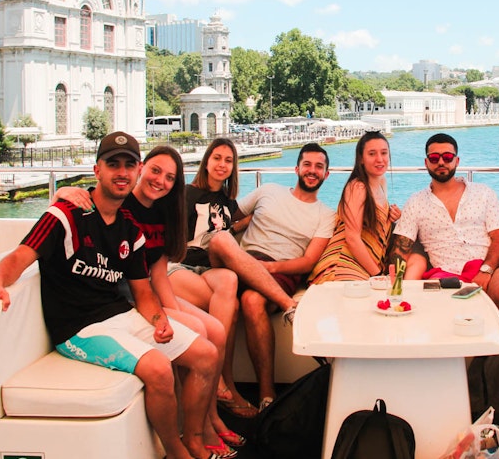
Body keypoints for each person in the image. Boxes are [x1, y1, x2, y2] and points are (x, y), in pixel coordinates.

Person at [0, 132, 222, 459]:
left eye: (129, 165)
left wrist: (160, 320)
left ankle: (193, 437)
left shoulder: (130, 230)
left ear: (137, 171)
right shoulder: (65, 215)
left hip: (120, 315)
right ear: (97, 170)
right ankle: (177, 452)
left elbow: (143, 291)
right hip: (79, 329)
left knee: (206, 355)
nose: (121, 172)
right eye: (113, 164)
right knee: (159, 368)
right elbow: (21, 255)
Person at [56, 144, 243, 454]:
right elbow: (84, 201)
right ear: (141, 169)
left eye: (170, 177)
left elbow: (158, 272)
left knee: (215, 329)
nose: (160, 181)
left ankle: (210, 418)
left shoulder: (164, 210)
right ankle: (197, 429)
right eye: (155, 171)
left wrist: (169, 311)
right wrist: (63, 191)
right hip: (124, 300)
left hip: (150, 293)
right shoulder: (121, 201)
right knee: (199, 329)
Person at [206, 143, 336, 410]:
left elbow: (307, 262)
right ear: (297, 168)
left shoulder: (326, 215)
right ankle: (225, 387)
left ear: (326, 174)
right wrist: (244, 224)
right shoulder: (269, 191)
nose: (312, 171)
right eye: (308, 165)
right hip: (242, 260)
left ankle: (267, 396)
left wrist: (269, 269)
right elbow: (227, 217)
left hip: (280, 270)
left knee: (252, 300)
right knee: (222, 258)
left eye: (319, 167)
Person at [388, 133, 499, 343]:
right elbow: (400, 248)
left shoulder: (484, 193)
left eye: (447, 157)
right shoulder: (415, 202)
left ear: (457, 161)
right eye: (434, 158)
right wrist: (393, 281)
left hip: (489, 266)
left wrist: (486, 271)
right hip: (445, 274)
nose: (441, 162)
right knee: (438, 308)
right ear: (427, 162)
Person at [169, 138, 257, 419]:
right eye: (217, 158)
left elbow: (229, 225)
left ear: (233, 168)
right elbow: (140, 201)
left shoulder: (228, 204)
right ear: (206, 161)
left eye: (228, 160)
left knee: (229, 281)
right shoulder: (183, 193)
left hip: (207, 273)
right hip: (178, 269)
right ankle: (223, 383)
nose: (222, 165)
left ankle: (219, 381)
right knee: (229, 308)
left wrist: (258, 215)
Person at [309, 131, 401, 283]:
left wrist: (392, 216)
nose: (380, 159)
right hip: (342, 263)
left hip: (362, 264)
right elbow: (352, 238)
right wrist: (378, 274)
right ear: (361, 159)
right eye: (372, 154)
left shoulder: (381, 182)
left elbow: (374, 223)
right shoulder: (358, 187)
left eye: (384, 153)